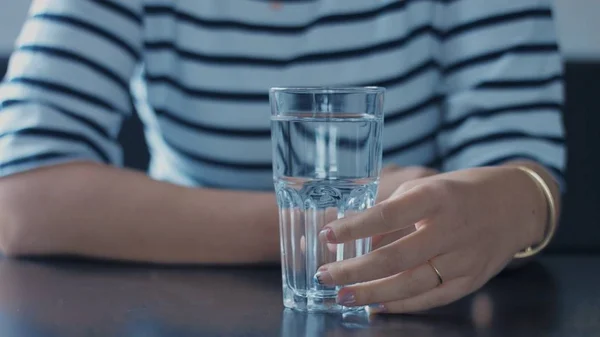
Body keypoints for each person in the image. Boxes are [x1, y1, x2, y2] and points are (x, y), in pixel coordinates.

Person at [0, 0, 564, 314]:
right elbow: (20, 197)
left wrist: (508, 207)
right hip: (179, 313)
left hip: (398, 312)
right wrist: (331, 229)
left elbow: (520, 175)